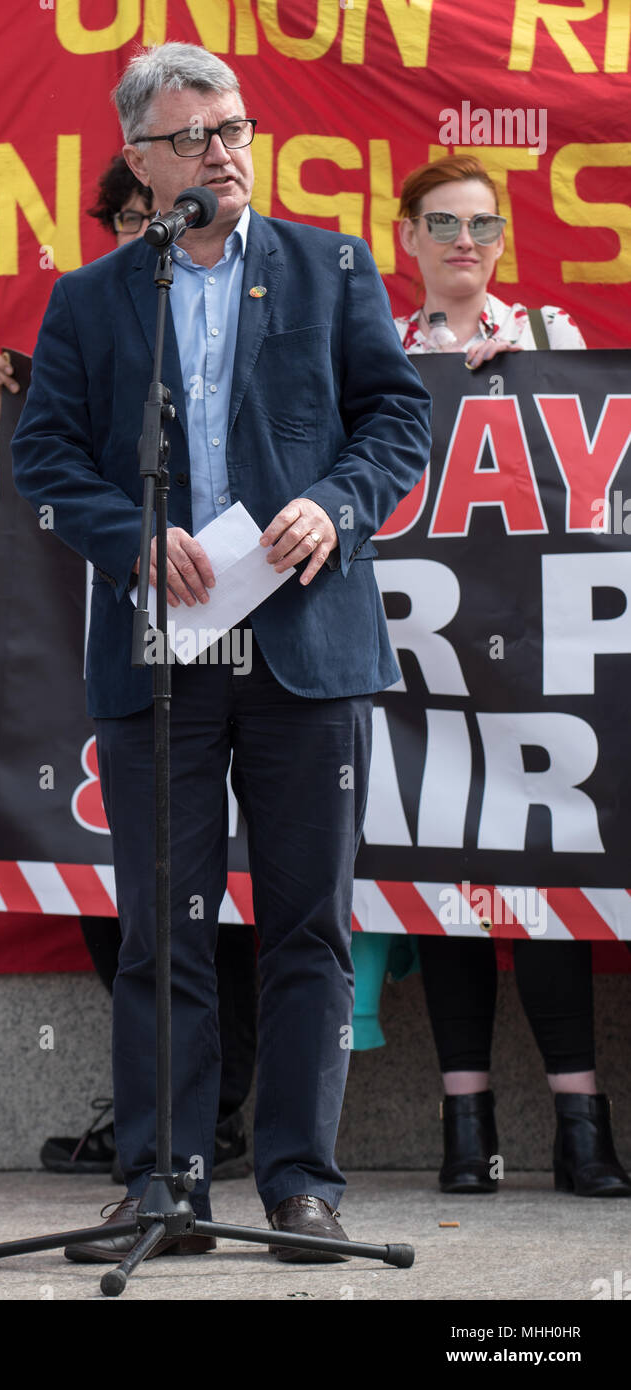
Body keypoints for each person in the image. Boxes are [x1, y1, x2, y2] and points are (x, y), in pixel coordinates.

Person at [12, 41, 431, 1263]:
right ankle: (162, 1182)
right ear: (141, 160)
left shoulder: (329, 263)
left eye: (235, 127)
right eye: (193, 137)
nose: (222, 152)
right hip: (162, 651)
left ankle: (302, 1185)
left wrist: (339, 505)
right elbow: (45, 461)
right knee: (163, 927)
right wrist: (132, 537)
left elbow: (397, 416)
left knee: (307, 925)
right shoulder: (96, 296)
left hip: (306, 642)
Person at [0, 153, 257, 1183]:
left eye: (169, 213)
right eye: (134, 217)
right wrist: (2, 429)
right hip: (133, 645)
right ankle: (166, 1141)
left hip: (270, 638)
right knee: (139, 896)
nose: (156, 231)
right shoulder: (94, 319)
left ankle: (243, 1125)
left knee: (276, 896)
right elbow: (46, 482)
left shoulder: (258, 310)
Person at [394, 153, 630, 1198]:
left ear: (503, 241)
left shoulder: (552, 341)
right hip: (421, 663)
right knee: (445, 885)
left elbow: (596, 487)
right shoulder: (380, 353)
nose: (463, 243)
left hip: (541, 657)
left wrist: (515, 394)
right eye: (442, 223)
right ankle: (465, 1133)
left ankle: (582, 1134)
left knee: (546, 885)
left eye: (482, 225)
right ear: (407, 237)